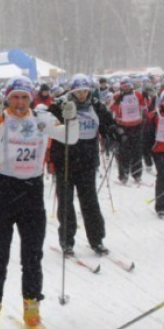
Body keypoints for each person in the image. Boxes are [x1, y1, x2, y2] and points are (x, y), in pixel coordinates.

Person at [0, 75, 78, 329]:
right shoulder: (0, 118)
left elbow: (70, 138)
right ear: (8, 98)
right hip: (2, 190)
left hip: (31, 191)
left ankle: (32, 312)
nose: (20, 102)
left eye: (24, 97)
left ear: (31, 98)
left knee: (32, 256)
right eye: (15, 97)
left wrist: (71, 117)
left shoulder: (41, 118)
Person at [49, 74, 117, 257]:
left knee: (90, 202)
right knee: (66, 203)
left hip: (87, 161)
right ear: (72, 90)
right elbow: (49, 122)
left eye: (84, 91)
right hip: (65, 161)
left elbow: (106, 123)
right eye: (78, 91)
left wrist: (114, 131)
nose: (81, 95)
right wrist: (56, 109)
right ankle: (67, 241)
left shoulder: (95, 105)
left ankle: (97, 240)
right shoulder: (62, 104)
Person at [111, 76, 147, 183]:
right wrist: (116, 102)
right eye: (124, 86)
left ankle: (137, 174)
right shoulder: (117, 95)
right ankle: (123, 175)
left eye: (128, 86)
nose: (127, 88)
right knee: (124, 151)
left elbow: (144, 107)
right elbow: (110, 108)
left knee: (137, 151)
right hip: (122, 126)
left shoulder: (138, 94)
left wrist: (145, 115)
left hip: (136, 125)